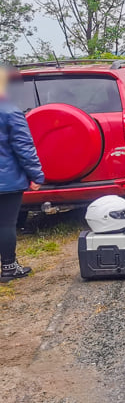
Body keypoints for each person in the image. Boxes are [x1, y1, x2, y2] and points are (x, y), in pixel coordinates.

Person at [0, 66, 44, 282]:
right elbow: (24, 147)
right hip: (6, 181)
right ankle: (8, 266)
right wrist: (37, 175)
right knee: (6, 224)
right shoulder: (9, 111)